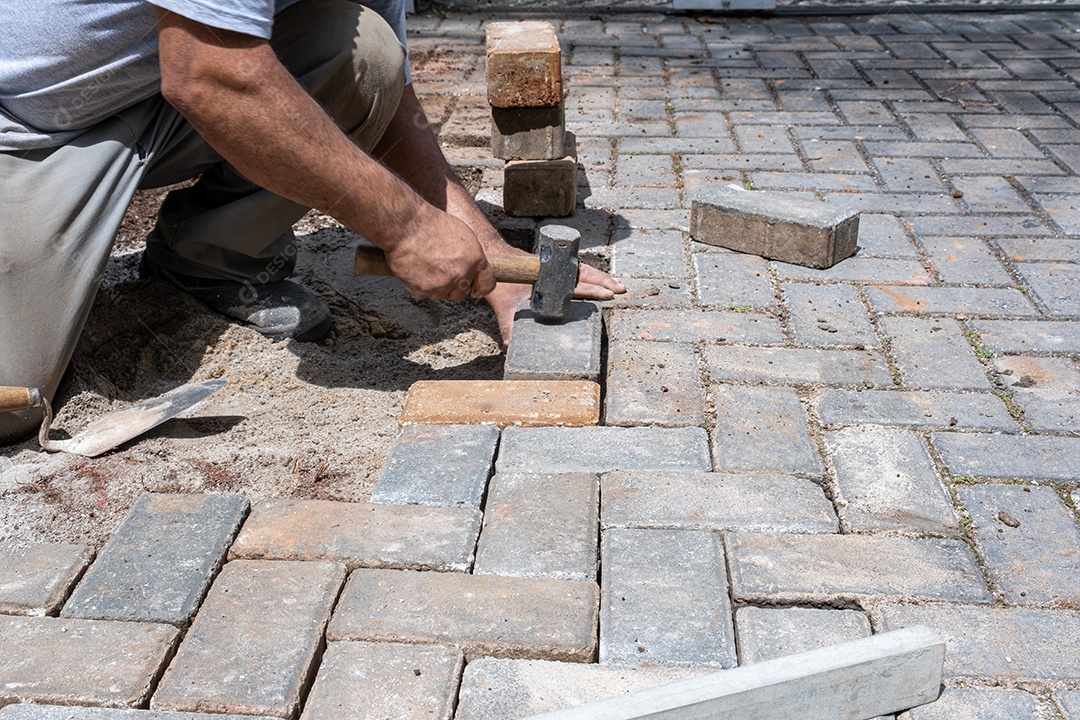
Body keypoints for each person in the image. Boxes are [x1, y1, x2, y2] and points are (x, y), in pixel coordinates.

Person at [0, 0, 626, 443]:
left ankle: (209, 259)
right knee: (13, 403)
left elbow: (388, 96)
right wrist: (406, 228)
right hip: (25, 130)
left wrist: (492, 255)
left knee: (362, 48)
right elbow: (212, 78)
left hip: (145, 92)